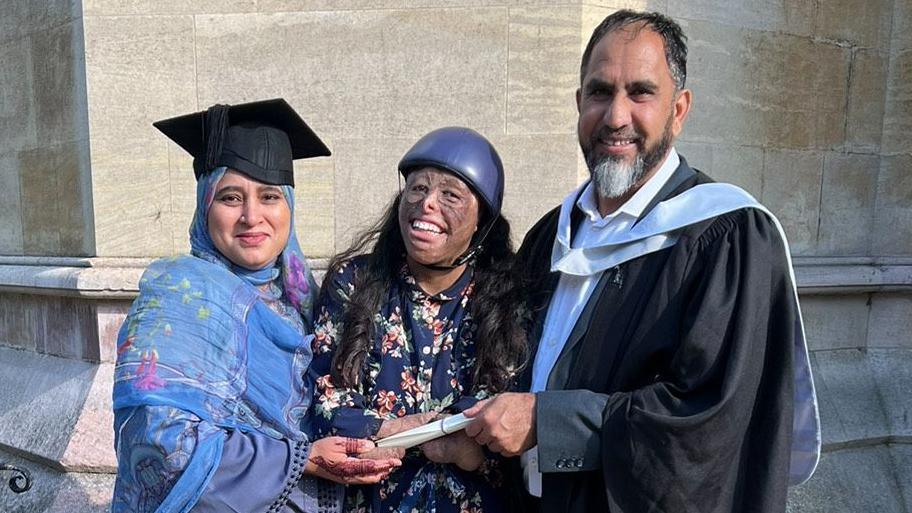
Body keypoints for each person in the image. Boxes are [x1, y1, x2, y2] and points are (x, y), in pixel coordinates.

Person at [463, 10, 821, 513]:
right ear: (578, 102)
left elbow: (708, 421)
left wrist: (549, 421)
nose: (615, 117)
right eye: (600, 92)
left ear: (679, 109)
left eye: (640, 92)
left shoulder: (727, 237)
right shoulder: (552, 234)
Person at [111, 99, 399, 513]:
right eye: (230, 197)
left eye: (269, 196)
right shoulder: (181, 298)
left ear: (289, 208)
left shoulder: (300, 298)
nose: (252, 216)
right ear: (205, 205)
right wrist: (300, 460)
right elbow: (156, 444)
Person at [308, 127, 527, 512]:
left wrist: (472, 453)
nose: (427, 204)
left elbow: (515, 412)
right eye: (418, 188)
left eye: (451, 195)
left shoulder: (509, 301)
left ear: (482, 221)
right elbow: (326, 394)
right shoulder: (354, 283)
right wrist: (396, 430)